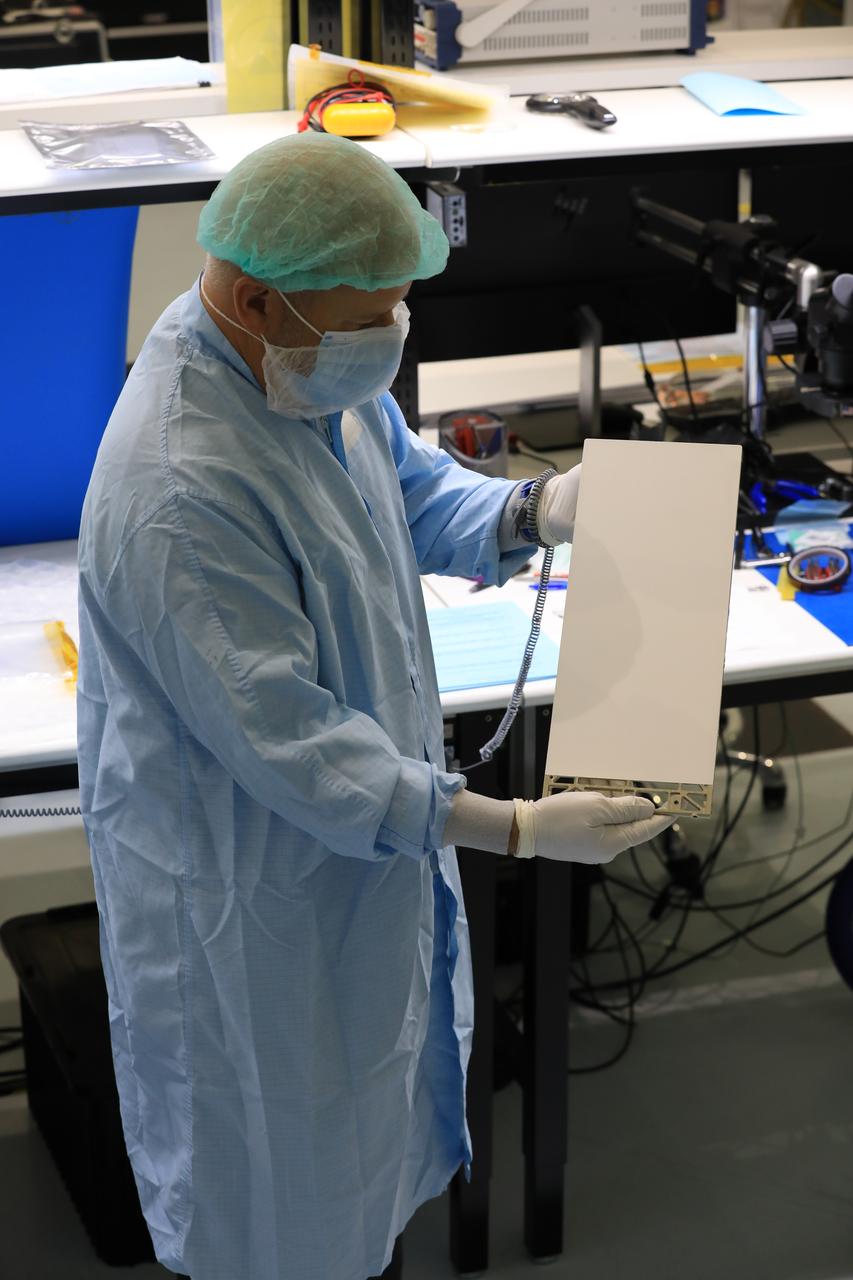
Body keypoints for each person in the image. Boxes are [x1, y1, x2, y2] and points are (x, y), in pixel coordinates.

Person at [76, 133, 673, 1280]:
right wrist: (511, 827)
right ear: (256, 300)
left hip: (351, 873)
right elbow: (294, 744)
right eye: (372, 322)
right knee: (279, 1211)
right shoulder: (178, 484)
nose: (387, 343)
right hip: (250, 902)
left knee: (365, 1170)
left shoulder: (290, 365)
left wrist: (539, 508)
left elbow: (404, 485)